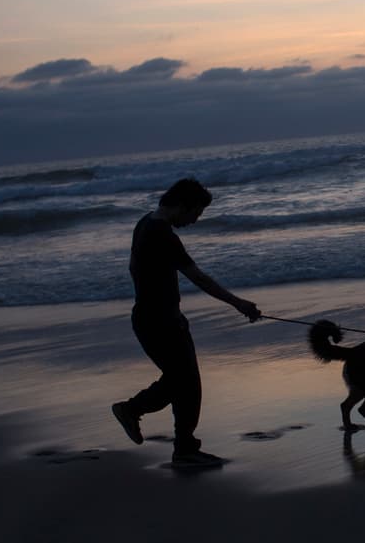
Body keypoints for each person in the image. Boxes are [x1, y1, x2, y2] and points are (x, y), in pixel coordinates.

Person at [112, 177, 261, 466]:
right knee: (185, 382)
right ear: (182, 205)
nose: (195, 220)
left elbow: (134, 268)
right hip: (160, 322)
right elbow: (199, 277)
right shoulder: (162, 235)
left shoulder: (145, 223)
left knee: (183, 382)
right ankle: (134, 412)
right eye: (196, 213)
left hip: (152, 318)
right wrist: (239, 303)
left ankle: (183, 447)